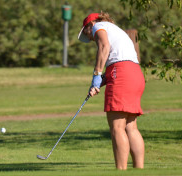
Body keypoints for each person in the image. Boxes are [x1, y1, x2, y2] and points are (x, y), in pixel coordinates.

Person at [78, 12, 145, 170]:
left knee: (117, 127)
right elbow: (117, 61)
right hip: (135, 74)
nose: (90, 38)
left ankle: (120, 170)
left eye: (87, 33)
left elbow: (104, 47)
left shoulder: (98, 27)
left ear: (90, 25)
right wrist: (98, 83)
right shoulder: (116, 30)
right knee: (130, 126)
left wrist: (96, 74)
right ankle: (139, 170)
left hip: (121, 73)